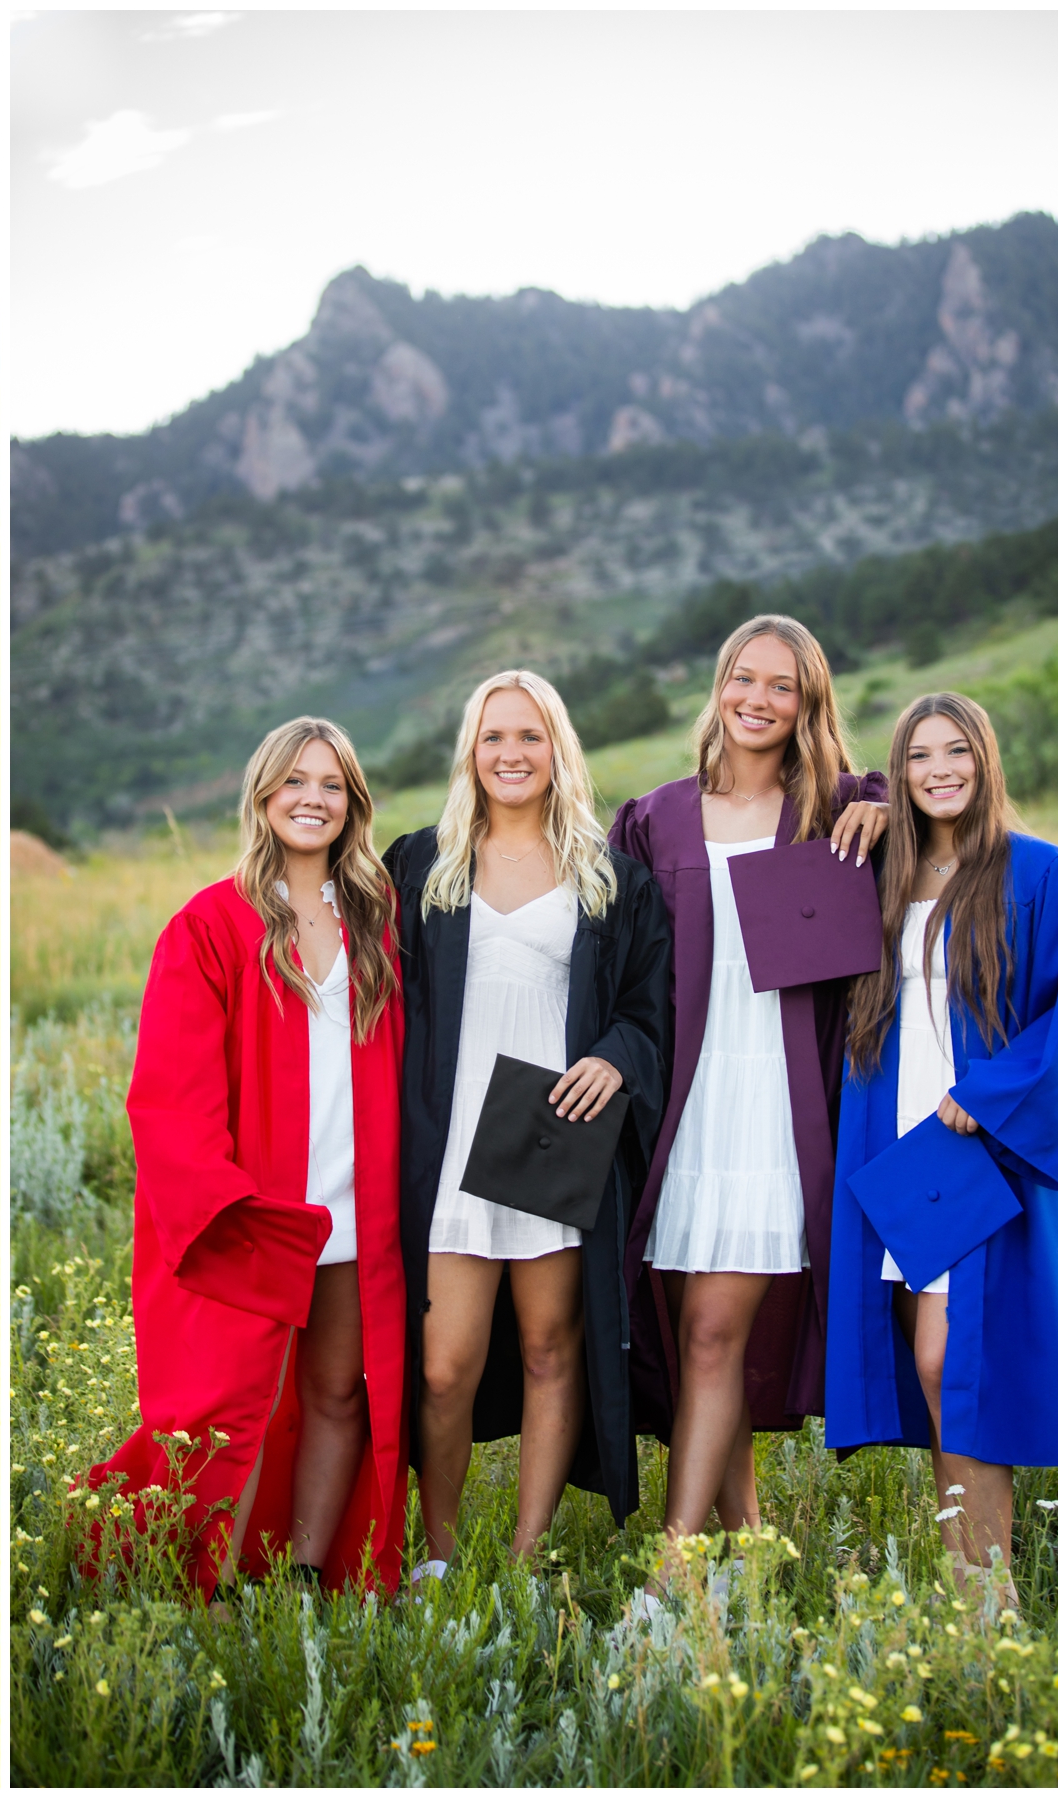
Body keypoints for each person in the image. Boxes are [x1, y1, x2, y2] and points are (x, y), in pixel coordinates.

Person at [91, 718, 411, 1596]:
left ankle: (304, 1577)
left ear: (352, 805)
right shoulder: (210, 924)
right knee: (229, 1412)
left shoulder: (378, 917)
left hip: (357, 1203)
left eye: (332, 785)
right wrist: (222, 1205)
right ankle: (205, 1586)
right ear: (264, 799)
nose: (313, 799)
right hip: (255, 1210)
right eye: (295, 783)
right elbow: (168, 1092)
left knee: (344, 1393)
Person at [607, 615, 887, 1560]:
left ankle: (676, 1565)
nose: (758, 700)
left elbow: (931, 805)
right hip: (682, 1110)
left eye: (783, 687)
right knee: (694, 1337)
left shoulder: (831, 811)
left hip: (773, 1101)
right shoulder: (656, 818)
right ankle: (749, 1542)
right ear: (719, 686)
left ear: (808, 706)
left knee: (717, 1334)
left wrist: (884, 800)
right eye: (744, 678)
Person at [828, 692, 1058, 1610]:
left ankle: (990, 1598)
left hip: (973, 1153)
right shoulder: (879, 879)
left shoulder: (1045, 877)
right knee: (934, 1369)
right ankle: (974, 1591)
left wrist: (985, 1100)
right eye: (918, 756)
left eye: (957, 752)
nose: (939, 770)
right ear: (900, 772)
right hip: (896, 1155)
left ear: (985, 761)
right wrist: (860, 804)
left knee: (953, 1365)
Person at [384, 672, 670, 1577]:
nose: (512, 754)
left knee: (553, 1349)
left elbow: (648, 1007)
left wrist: (616, 1057)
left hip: (553, 1140)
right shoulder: (422, 866)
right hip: (453, 1139)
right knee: (442, 1368)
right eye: (494, 736)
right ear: (471, 749)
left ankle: (524, 1555)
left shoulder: (610, 879)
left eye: (531, 736)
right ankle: (434, 1556)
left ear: (559, 751)